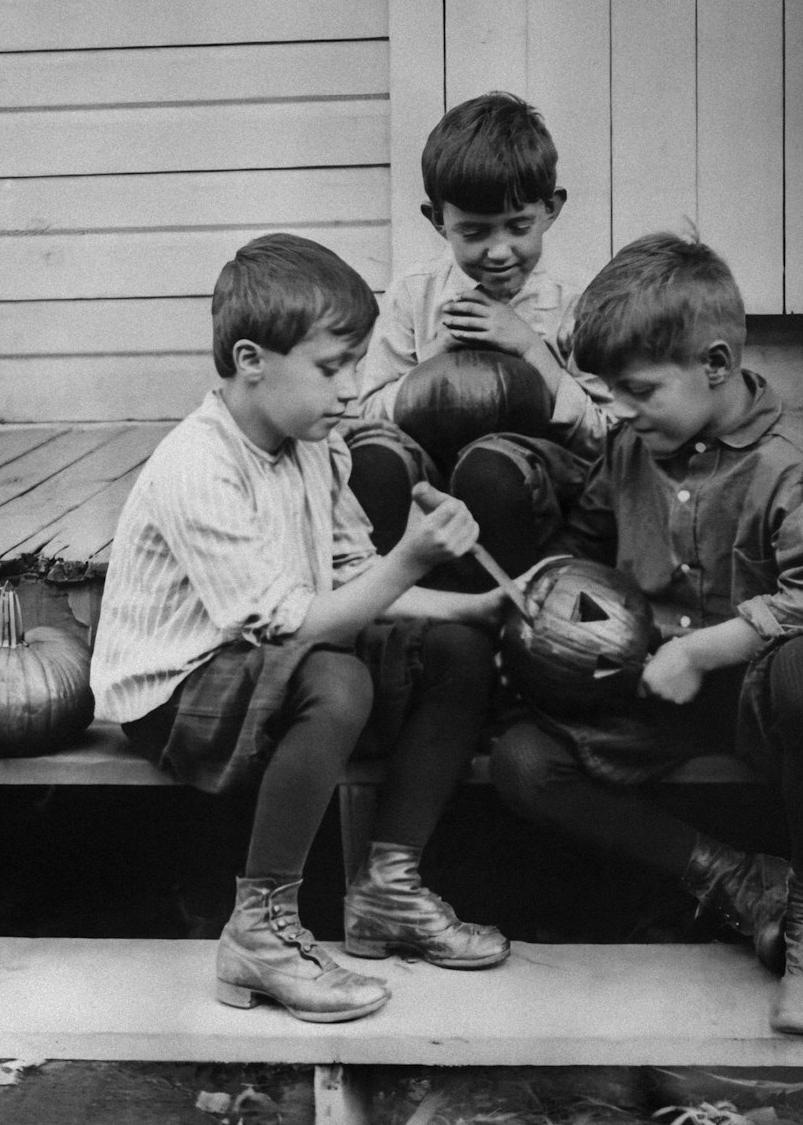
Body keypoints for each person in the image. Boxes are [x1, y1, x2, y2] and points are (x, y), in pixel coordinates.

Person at [490, 232, 803, 1036]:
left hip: (768, 689)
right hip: (659, 678)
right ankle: (737, 879)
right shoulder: (631, 446)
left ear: (715, 364)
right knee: (522, 761)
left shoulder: (791, 461)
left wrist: (701, 649)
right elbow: (581, 547)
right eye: (608, 391)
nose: (618, 409)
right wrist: (536, 606)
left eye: (638, 389)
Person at [90, 233, 509, 1027]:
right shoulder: (198, 465)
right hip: (175, 692)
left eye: (356, 365)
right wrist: (414, 560)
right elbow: (292, 622)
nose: (353, 389)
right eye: (332, 367)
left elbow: (353, 577)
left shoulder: (314, 446)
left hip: (269, 664)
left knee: (458, 653)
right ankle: (260, 932)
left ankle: (388, 886)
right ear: (252, 359)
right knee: (335, 675)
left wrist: (472, 609)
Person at [347, 91, 613, 579]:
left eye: (518, 226)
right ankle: (390, 616)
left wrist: (532, 350)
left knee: (490, 470)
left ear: (551, 209)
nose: (498, 251)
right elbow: (364, 412)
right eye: (474, 232)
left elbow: (607, 438)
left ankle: (504, 622)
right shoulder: (415, 295)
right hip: (429, 481)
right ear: (437, 221)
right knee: (374, 460)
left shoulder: (576, 306)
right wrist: (432, 375)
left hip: (527, 488)